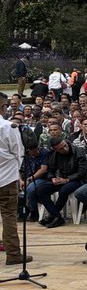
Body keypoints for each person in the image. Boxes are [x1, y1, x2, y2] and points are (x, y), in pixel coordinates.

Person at [36, 135, 87, 228]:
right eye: (60, 148)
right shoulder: (54, 154)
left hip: (77, 180)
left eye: (65, 145)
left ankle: (53, 216)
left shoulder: (78, 151)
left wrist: (67, 179)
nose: (64, 149)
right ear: (55, 149)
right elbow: (50, 170)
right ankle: (57, 216)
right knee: (41, 190)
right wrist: (52, 178)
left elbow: (82, 172)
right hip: (61, 179)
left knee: (64, 190)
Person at [0, 96, 27, 264]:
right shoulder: (8, 127)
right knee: (9, 216)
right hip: (6, 179)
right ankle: (13, 254)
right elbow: (19, 153)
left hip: (6, 176)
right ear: (3, 107)